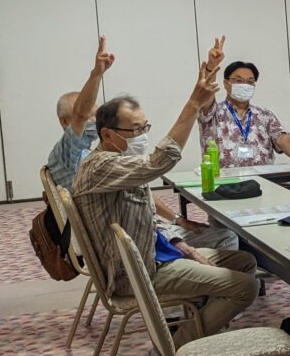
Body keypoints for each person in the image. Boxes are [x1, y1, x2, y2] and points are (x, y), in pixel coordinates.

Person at [71, 64, 257, 339]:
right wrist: (193, 104)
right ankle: (179, 346)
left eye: (144, 127)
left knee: (244, 261)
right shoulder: (100, 166)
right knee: (245, 287)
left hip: (152, 252)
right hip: (135, 273)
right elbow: (160, 161)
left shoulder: (121, 163)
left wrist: (181, 244)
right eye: (135, 130)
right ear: (107, 134)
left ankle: (202, 326)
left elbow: (145, 215)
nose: (143, 135)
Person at [197, 44, 290, 168]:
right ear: (226, 84)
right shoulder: (212, 112)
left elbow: (281, 137)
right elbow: (206, 90)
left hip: (262, 178)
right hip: (223, 178)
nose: (245, 85)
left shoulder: (264, 115)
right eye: (238, 81)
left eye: (250, 81)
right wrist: (211, 66)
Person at [46, 35, 112, 189]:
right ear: (64, 121)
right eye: (90, 116)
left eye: (96, 115)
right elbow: (80, 115)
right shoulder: (66, 152)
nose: (95, 121)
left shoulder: (84, 153)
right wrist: (97, 74)